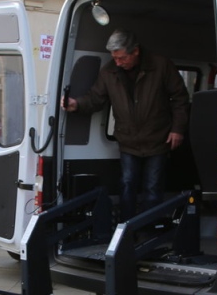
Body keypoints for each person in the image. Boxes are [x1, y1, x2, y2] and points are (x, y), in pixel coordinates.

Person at [62, 28, 190, 220]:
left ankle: (150, 229)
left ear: (135, 51)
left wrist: (177, 129)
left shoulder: (161, 66)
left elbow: (180, 98)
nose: (118, 63)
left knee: (153, 187)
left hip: (158, 139)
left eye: (122, 58)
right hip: (128, 141)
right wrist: (76, 104)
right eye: (115, 58)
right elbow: (96, 98)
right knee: (127, 184)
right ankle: (126, 228)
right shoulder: (109, 72)